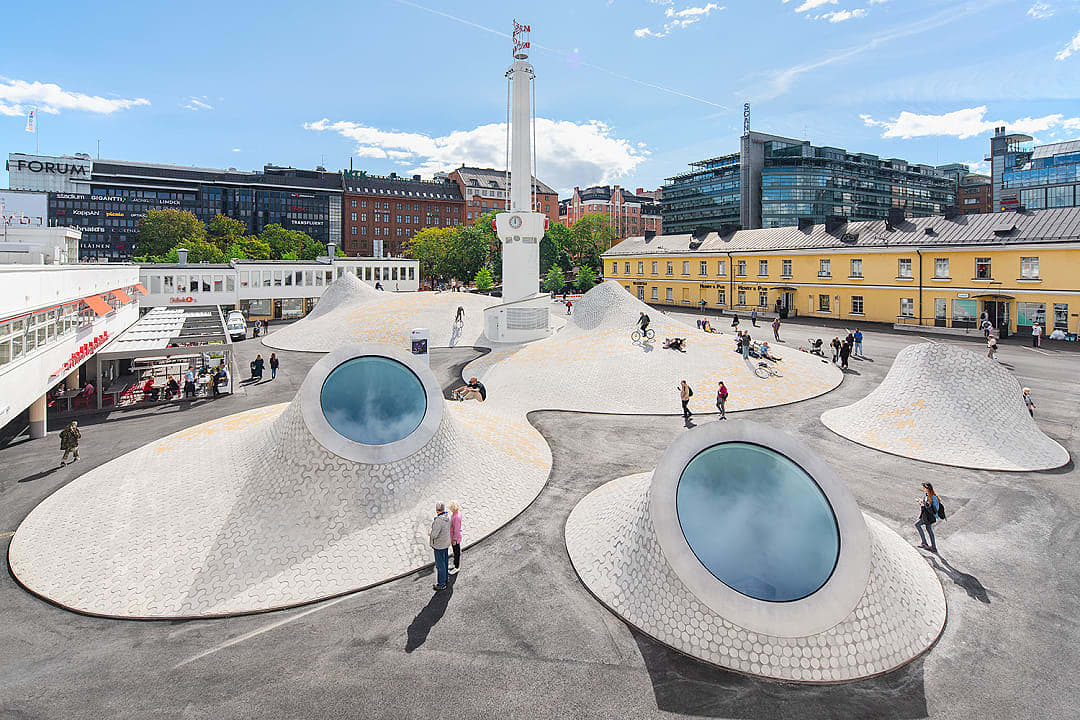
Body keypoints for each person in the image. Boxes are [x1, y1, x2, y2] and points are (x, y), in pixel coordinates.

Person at [429, 502, 451, 591]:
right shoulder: (447, 518)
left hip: (439, 545)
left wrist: (430, 531)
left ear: (437, 510)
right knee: (445, 561)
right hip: (445, 543)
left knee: (440, 565)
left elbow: (434, 535)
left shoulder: (438, 521)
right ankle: (445, 579)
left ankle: (441, 584)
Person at [915, 482, 941, 552]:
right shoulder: (927, 495)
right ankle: (932, 546)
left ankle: (925, 543)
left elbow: (934, 508)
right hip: (926, 515)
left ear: (927, 488)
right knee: (929, 529)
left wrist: (924, 504)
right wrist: (921, 502)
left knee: (917, 524)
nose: (922, 488)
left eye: (923, 487)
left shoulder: (933, 497)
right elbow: (927, 504)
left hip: (929, 516)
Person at [449, 501, 463, 575]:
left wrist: (454, 539)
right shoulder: (457, 513)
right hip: (456, 537)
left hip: (455, 538)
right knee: (456, 551)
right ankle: (455, 564)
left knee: (456, 552)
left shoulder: (456, 517)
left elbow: (456, 530)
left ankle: (456, 567)